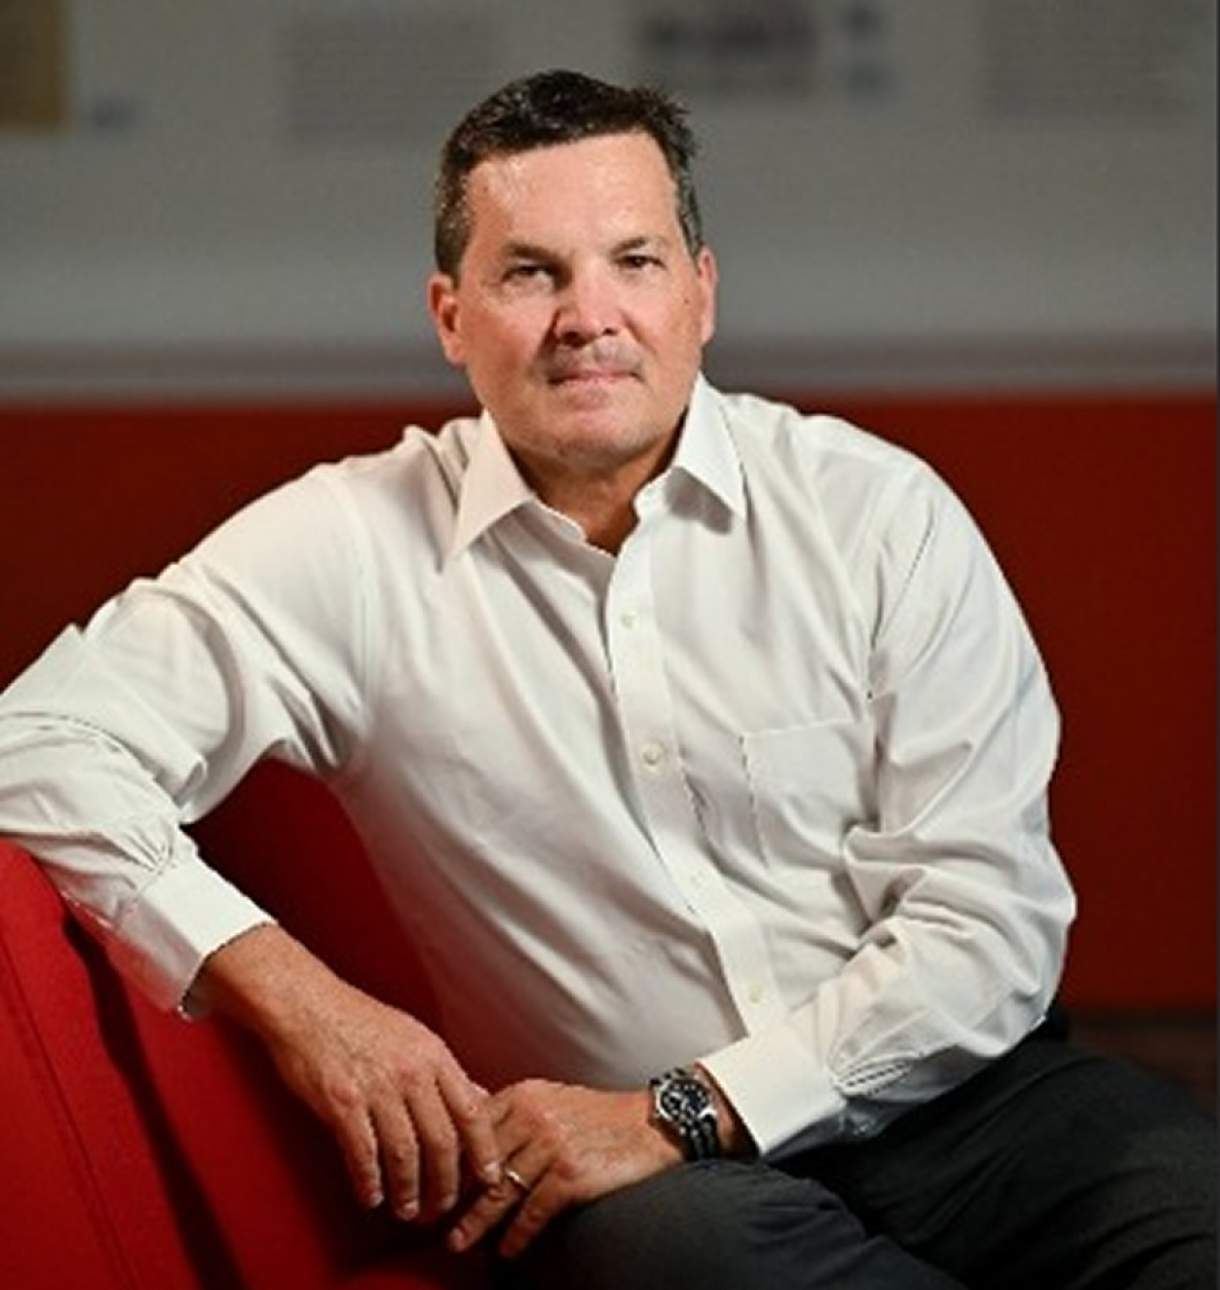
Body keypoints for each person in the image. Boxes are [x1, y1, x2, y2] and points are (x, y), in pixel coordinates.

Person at [0, 69, 1213, 1290]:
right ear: (449, 317)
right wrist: (302, 999)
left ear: (701, 291)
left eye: (633, 261)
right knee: (697, 1264)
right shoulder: (350, 547)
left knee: (1188, 1207)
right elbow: (37, 741)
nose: (588, 316)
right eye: (530, 273)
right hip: (644, 1188)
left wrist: (688, 1108)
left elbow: (985, 924)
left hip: (953, 1100)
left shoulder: (876, 515)